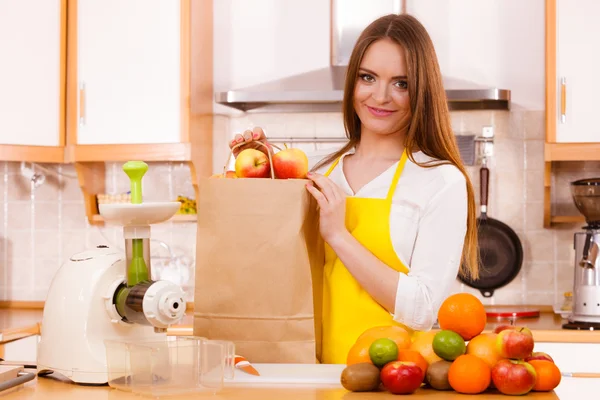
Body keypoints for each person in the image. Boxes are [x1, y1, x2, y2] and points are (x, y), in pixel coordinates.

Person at [228, 13, 479, 364]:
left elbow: (422, 309)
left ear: (422, 91)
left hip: (390, 380)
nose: (380, 96)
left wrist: (339, 235)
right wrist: (265, 172)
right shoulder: (316, 172)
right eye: (368, 77)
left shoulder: (440, 180)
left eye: (401, 83)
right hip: (308, 376)